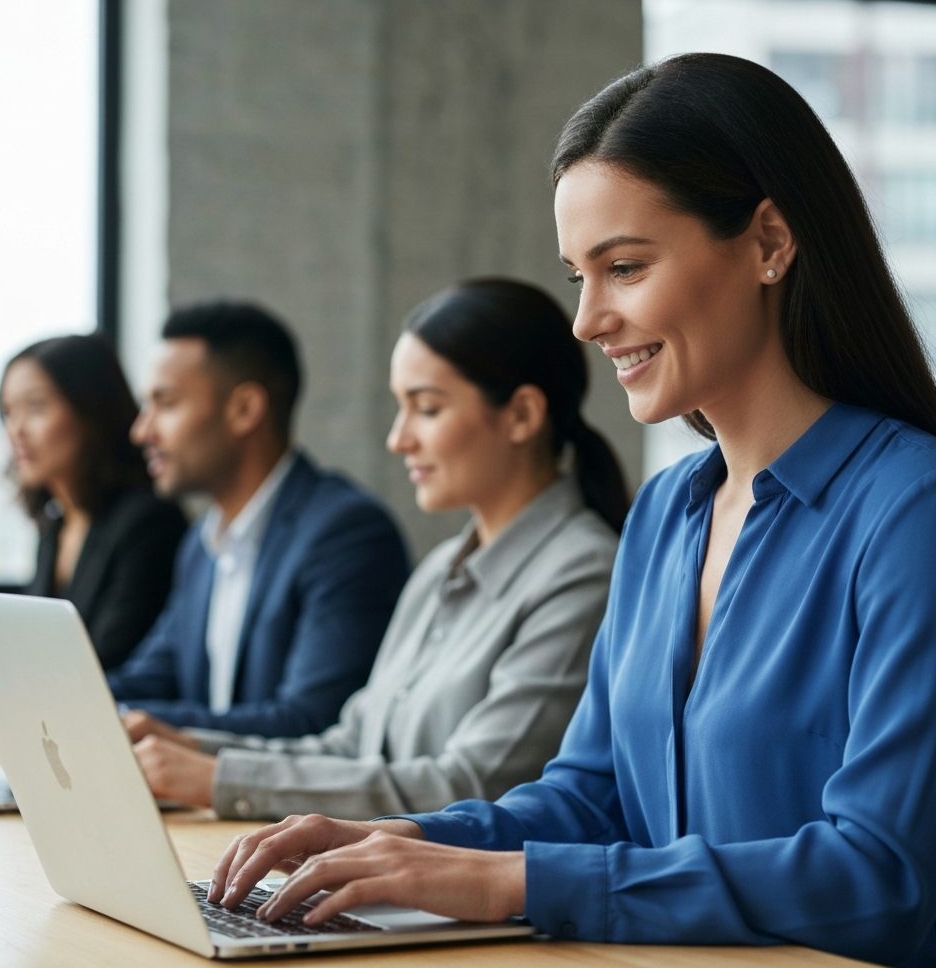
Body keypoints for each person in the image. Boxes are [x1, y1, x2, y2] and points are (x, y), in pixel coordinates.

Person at [209, 55, 936, 968]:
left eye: (623, 267)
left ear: (770, 243)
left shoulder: (925, 514)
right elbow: (594, 794)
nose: (587, 321)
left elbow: (879, 875)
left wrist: (517, 884)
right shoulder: (665, 514)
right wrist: (401, 842)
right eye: (579, 275)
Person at [125, 278, 625, 819]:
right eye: (399, 407)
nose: (398, 439)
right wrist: (192, 750)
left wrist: (221, 778)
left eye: (427, 409)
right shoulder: (437, 572)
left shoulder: (583, 574)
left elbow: (472, 784)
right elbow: (349, 747)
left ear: (523, 416)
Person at [109, 301, 410, 739]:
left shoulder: (347, 533)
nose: (142, 431)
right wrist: (38, 698)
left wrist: (133, 723)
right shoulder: (201, 543)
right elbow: (150, 678)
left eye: (166, 404)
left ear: (245, 409)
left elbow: (310, 721)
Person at [0, 334, 188, 736]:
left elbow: (113, 662)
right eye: (7, 412)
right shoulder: (56, 527)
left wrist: (10, 695)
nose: (16, 430)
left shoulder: (149, 523)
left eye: (35, 407)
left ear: (91, 411)